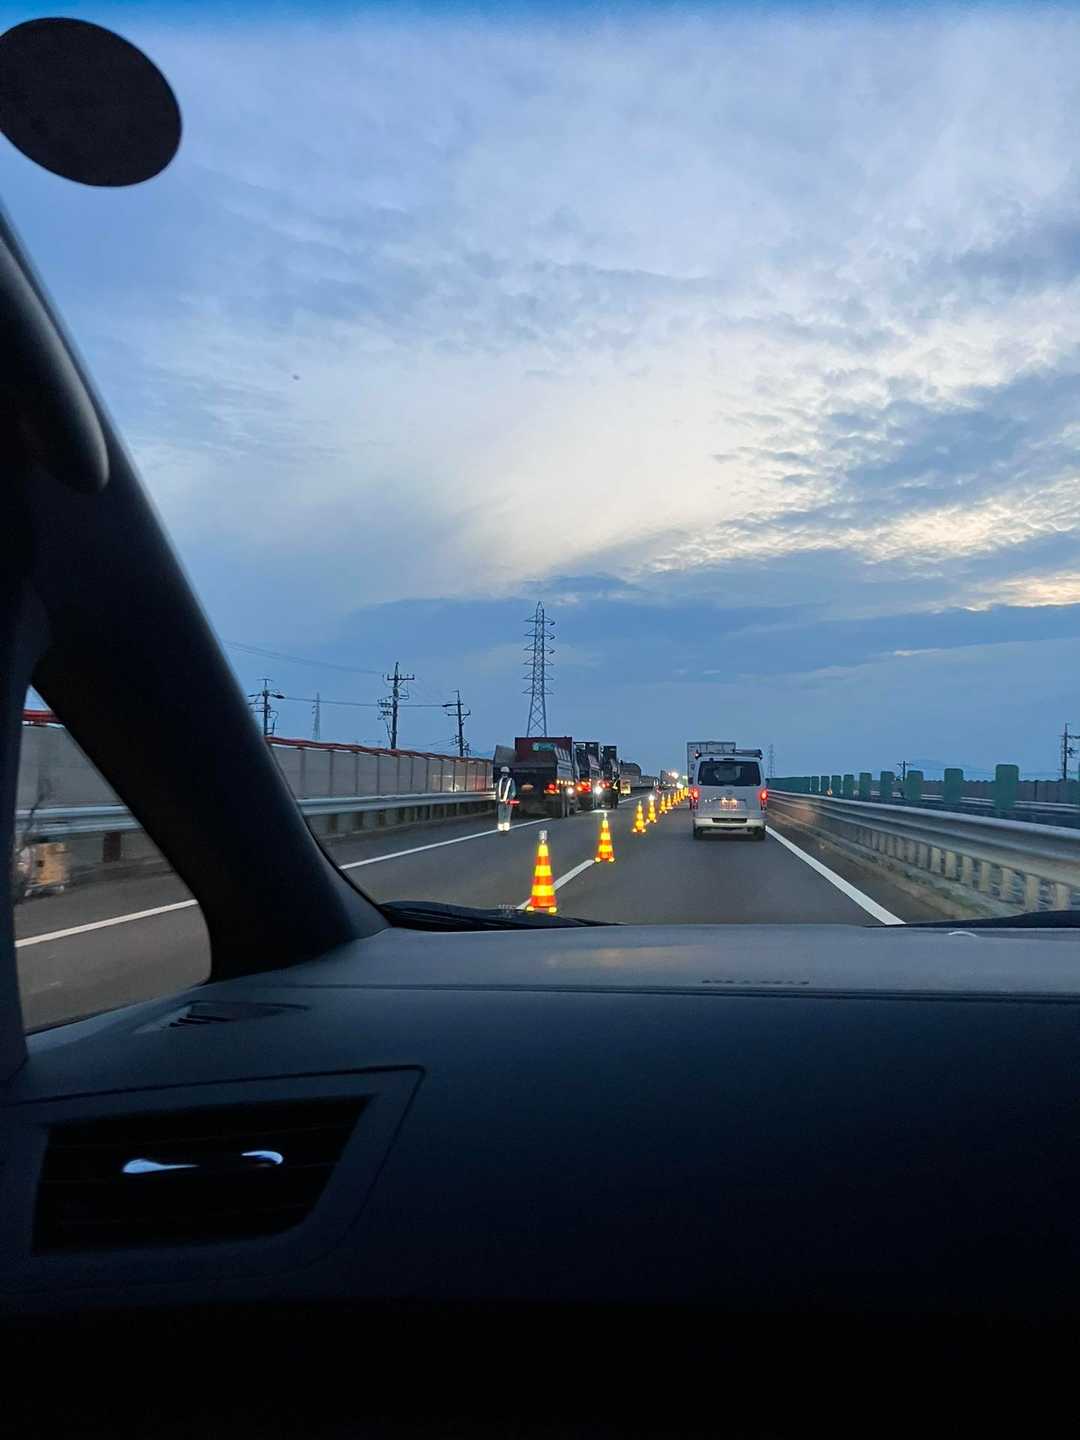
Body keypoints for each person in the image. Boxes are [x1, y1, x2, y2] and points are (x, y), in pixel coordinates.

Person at [495, 765, 516, 832]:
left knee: (507, 815)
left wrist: (509, 799)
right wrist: (497, 799)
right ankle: (501, 828)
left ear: (507, 773)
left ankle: (506, 828)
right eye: (503, 773)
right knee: (501, 815)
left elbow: (513, 792)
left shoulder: (510, 781)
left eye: (505, 773)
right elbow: (497, 791)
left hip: (508, 801)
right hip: (501, 801)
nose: (504, 774)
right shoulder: (499, 781)